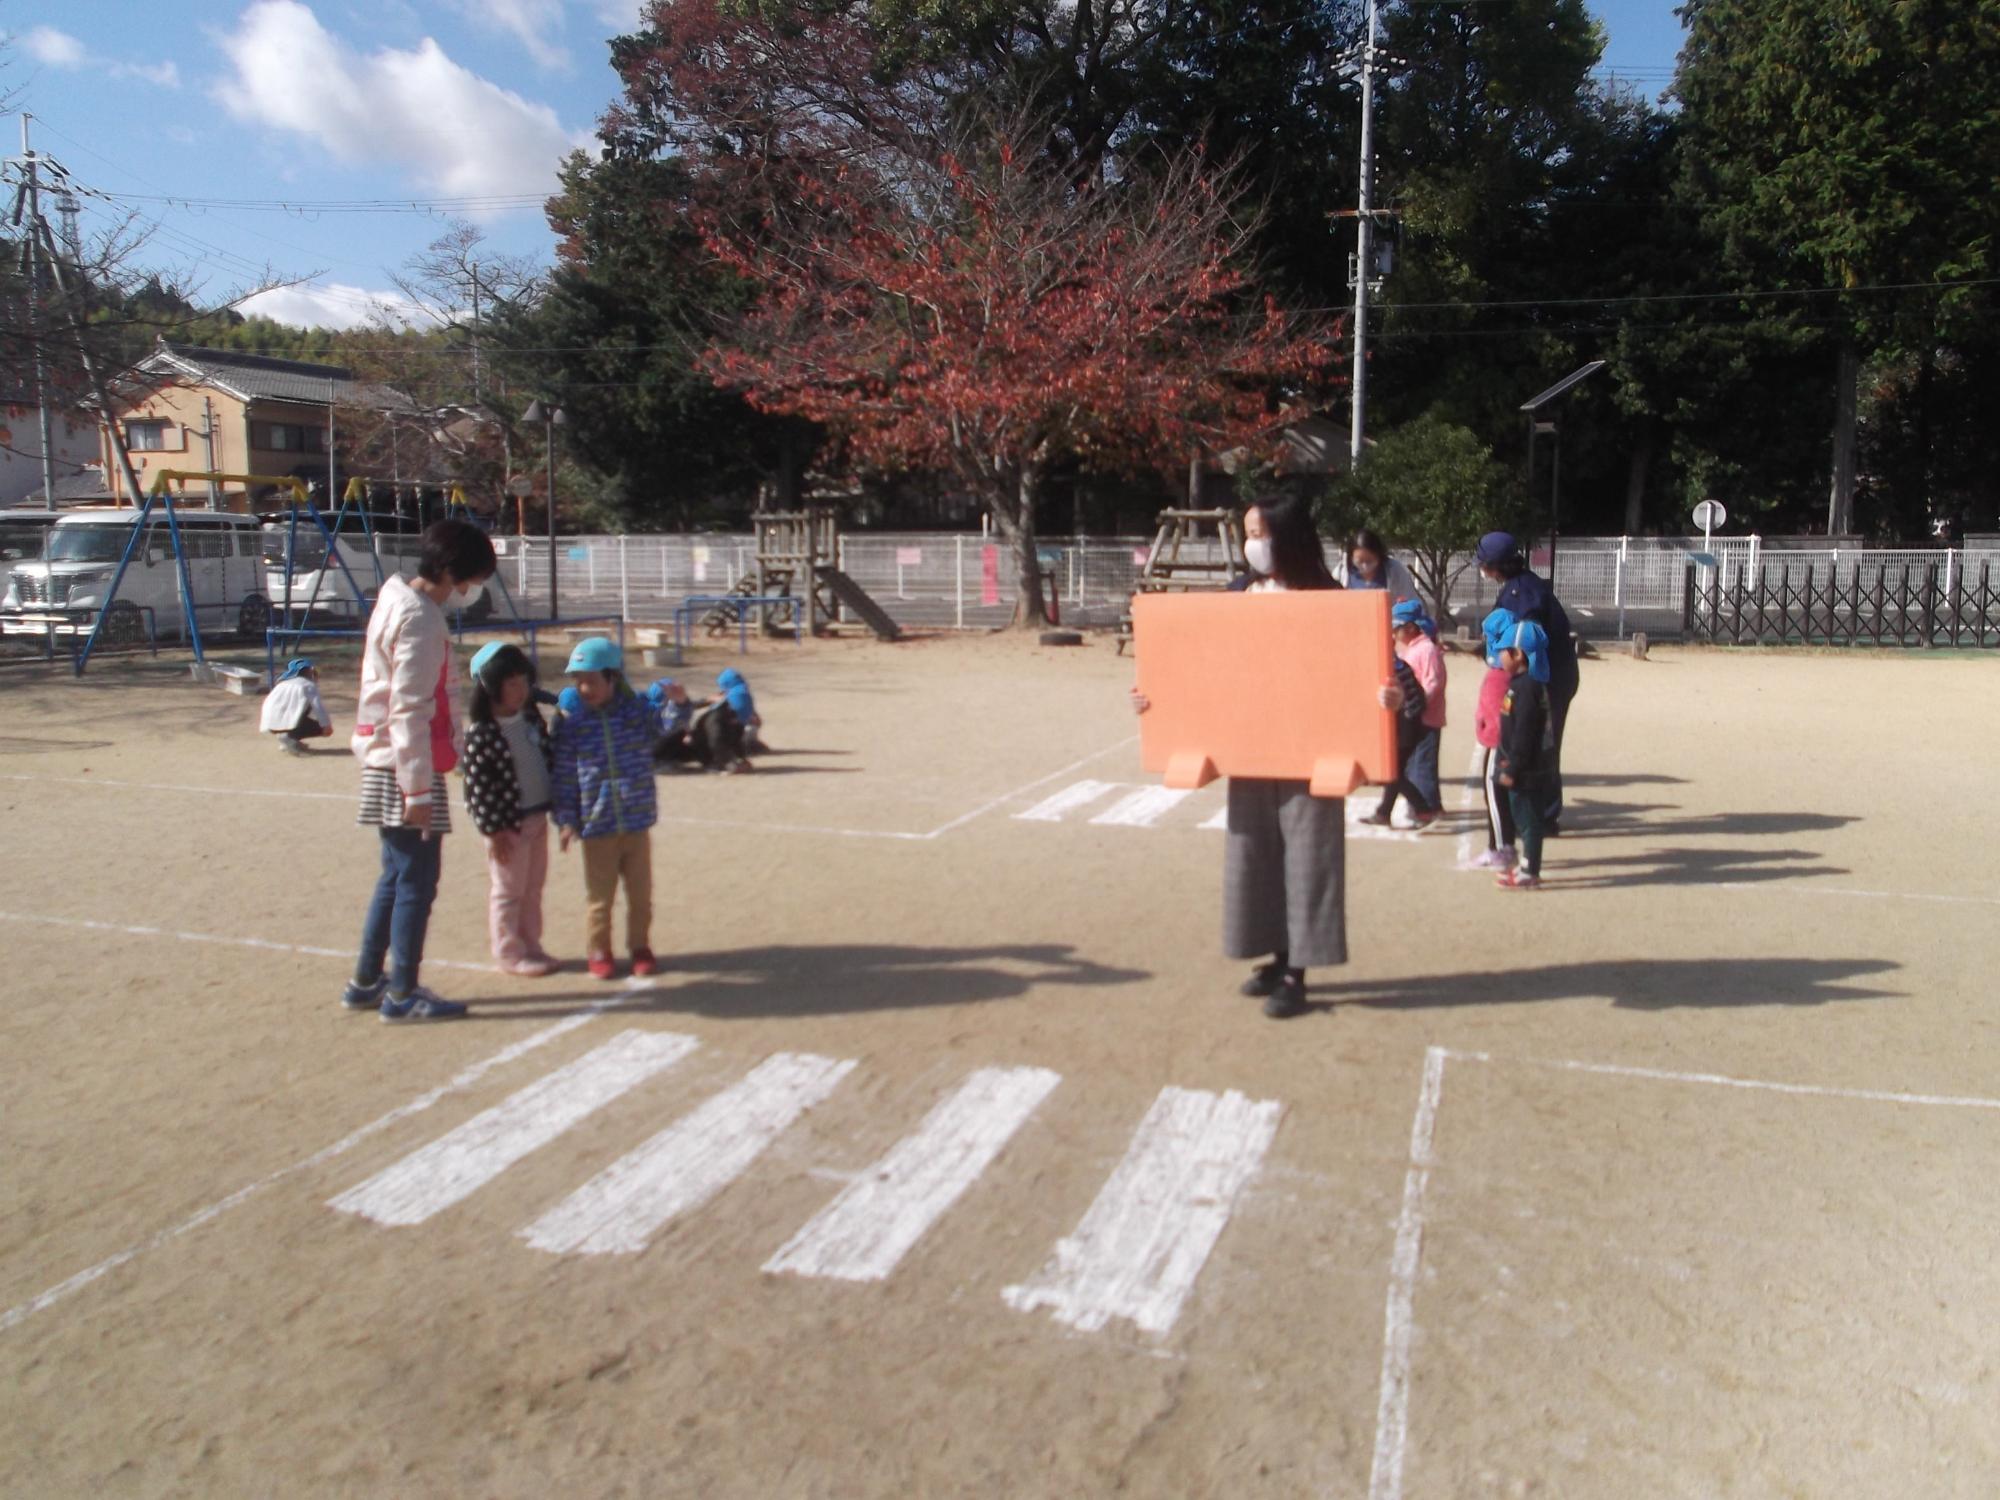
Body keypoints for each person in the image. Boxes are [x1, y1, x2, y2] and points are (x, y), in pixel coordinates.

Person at [1134, 495, 1403, 1020]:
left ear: (1287, 534)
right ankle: (1274, 955)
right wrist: (1153, 698)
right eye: (1247, 532)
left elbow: (1365, 675)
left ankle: (1296, 971)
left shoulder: (1333, 600)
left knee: (1308, 862)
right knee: (1253, 858)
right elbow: (1199, 663)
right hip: (1251, 748)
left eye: (1260, 532)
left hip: (1312, 755)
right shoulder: (1239, 595)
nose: (1251, 543)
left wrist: (1384, 698)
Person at [341, 518, 496, 1023]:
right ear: (452, 572)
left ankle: (367, 980)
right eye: (470, 580)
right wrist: (418, 792)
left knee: (396, 875)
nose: (469, 591)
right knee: (416, 883)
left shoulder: (394, 598)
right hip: (407, 765)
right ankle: (403, 994)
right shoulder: (423, 619)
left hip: (388, 759)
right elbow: (408, 708)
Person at [552, 637, 659, 981]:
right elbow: (565, 778)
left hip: (636, 820)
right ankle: (599, 951)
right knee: (600, 899)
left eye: (592, 680)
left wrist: (678, 704)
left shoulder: (635, 713)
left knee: (641, 896)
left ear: (613, 678)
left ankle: (640, 947)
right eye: (579, 681)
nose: (585, 688)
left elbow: (664, 727)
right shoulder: (573, 726)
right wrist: (567, 821)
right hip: (597, 826)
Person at [461, 642, 560, 978]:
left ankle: (532, 945)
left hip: (537, 817)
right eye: (511, 683)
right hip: (507, 827)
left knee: (533, 888)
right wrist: (492, 830)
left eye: (523, 681)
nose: (521, 690)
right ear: (490, 686)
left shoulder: (531, 718)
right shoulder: (482, 734)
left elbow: (548, 757)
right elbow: (477, 788)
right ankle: (509, 952)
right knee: (509, 890)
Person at [1475, 532, 1579, 832]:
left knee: (1541, 743)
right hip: (1546, 673)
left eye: (1485, 564)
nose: (1483, 570)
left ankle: (1544, 815)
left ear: (1497, 565)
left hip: (1550, 676)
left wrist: (1523, 687)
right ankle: (1537, 811)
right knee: (1534, 740)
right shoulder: (1518, 585)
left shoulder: (1522, 592)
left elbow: (1524, 641)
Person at [1365, 597, 1446, 829]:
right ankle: (1384, 812)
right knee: (1396, 768)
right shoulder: (1404, 655)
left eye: (1396, 628)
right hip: (1409, 720)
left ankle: (1425, 809)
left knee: (1399, 770)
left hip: (1416, 722)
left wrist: (1417, 711)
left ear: (1409, 628)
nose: (1394, 634)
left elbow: (1431, 684)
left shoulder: (1418, 653)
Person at [1494, 618, 1557, 890]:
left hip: (1527, 768)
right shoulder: (1520, 685)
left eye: (1503, 650)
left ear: (1518, 654)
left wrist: (1513, 767)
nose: (1498, 655)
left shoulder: (1528, 689)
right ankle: (1526, 865)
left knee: (1529, 821)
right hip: (1520, 763)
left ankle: (1530, 870)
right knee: (1522, 817)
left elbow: (1525, 732)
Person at [1469, 608, 1519, 872]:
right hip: (1497, 743)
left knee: (1496, 798)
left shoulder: (1501, 676)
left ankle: (1503, 848)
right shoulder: (1505, 673)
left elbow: (1500, 717)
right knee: (1494, 798)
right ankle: (1494, 846)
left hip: (1498, 745)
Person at [646, 679, 752, 773]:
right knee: (688, 735)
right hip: (653, 751)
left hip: (669, 745)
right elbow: (671, 724)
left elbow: (688, 706)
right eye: (673, 691)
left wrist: (707, 700)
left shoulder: (662, 707)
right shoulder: (656, 715)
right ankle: (658, 763)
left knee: (692, 736)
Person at [261, 657, 333, 755]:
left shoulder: (281, 684)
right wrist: (326, 725)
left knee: (300, 709)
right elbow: (318, 707)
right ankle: (288, 737)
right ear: (310, 671)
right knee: (319, 726)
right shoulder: (308, 685)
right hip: (287, 723)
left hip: (269, 723)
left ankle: (288, 741)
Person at [1333, 527, 1420, 599]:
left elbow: (1411, 601)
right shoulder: (1340, 573)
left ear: (1379, 555)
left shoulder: (1395, 570)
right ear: (1351, 558)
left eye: (1370, 561)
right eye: (1359, 561)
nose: (1365, 566)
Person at [717, 668, 767, 753]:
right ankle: (741, 745)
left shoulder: (740, 693)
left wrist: (752, 716)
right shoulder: (735, 694)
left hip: (739, 725)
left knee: (751, 724)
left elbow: (746, 710)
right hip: (732, 729)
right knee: (748, 726)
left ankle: (749, 742)